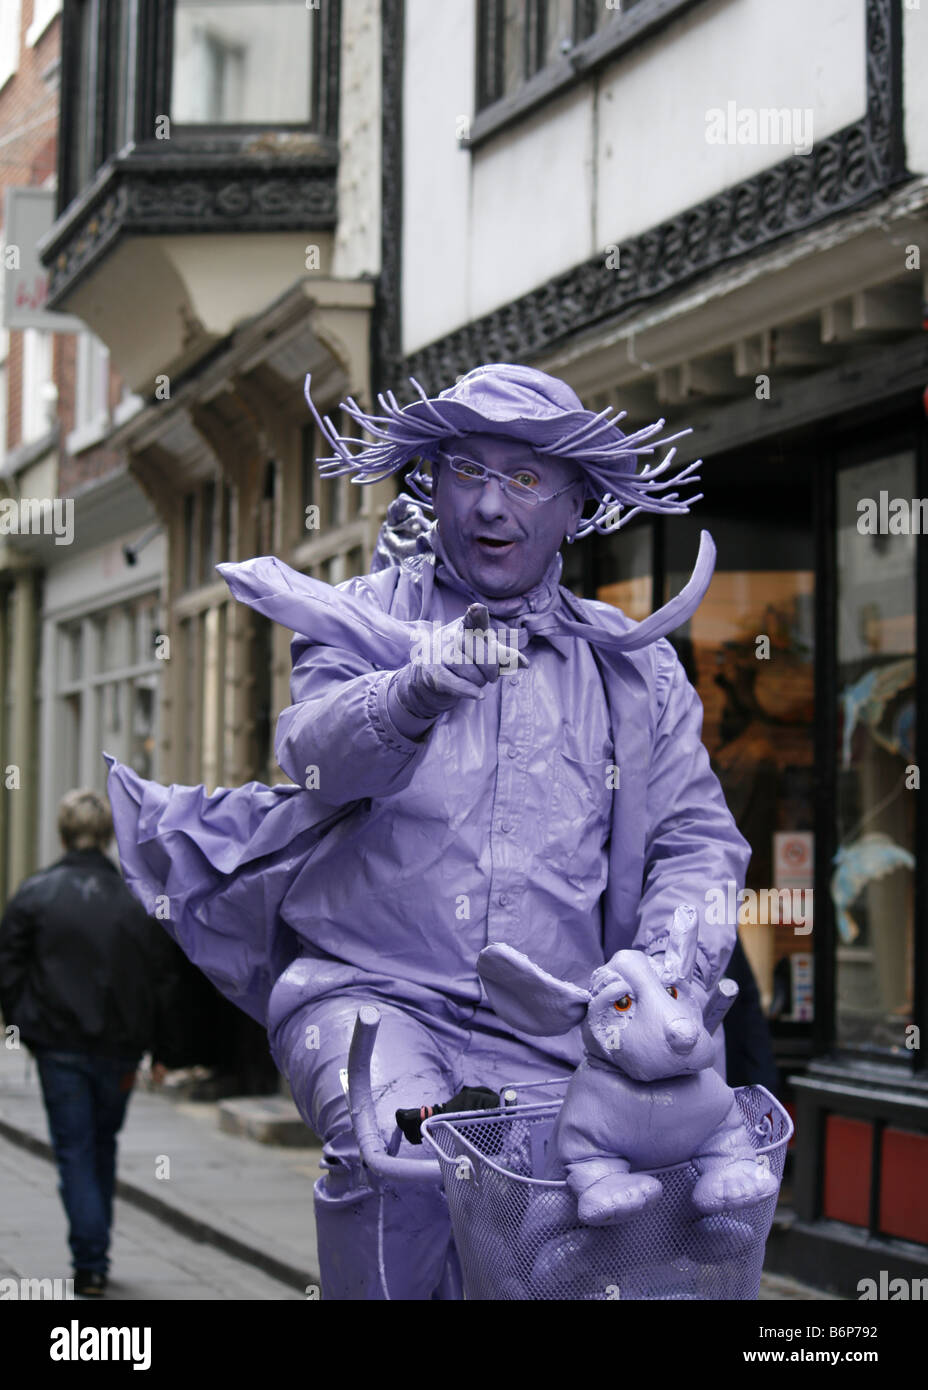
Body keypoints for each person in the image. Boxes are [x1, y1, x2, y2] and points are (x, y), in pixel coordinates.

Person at [106, 363, 752, 1299]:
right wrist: (413, 691)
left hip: (560, 1031)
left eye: (525, 478)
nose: (490, 504)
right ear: (431, 482)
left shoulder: (637, 677)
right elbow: (313, 756)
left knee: (553, 1250)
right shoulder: (364, 615)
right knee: (403, 1166)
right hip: (370, 997)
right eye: (463, 470)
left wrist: (668, 965)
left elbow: (697, 841)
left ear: (575, 505)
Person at [0, 789, 184, 1297]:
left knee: (77, 1150)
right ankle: (94, 1247)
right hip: (120, 1048)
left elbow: (9, 972)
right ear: (107, 837)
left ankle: (91, 1258)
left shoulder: (35, 894)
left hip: (59, 1047)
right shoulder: (135, 900)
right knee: (100, 1145)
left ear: (62, 834)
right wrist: (163, 1049)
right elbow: (163, 979)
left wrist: (25, 1025)